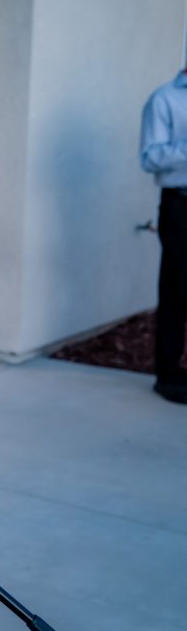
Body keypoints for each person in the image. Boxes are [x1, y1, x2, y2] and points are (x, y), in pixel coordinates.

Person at [140, 66, 187, 404]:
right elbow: (150, 157)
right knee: (177, 289)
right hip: (180, 205)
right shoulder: (164, 99)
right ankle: (168, 376)